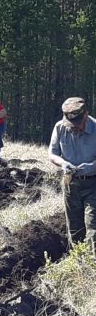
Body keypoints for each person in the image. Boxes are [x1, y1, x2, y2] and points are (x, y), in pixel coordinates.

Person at [48, 97, 96, 255]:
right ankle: (78, 261)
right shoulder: (60, 127)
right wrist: (62, 163)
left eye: (78, 124)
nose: (75, 128)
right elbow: (52, 154)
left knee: (93, 226)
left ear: (86, 115)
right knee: (74, 228)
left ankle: (92, 264)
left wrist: (92, 166)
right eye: (71, 125)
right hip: (70, 183)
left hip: (93, 183)